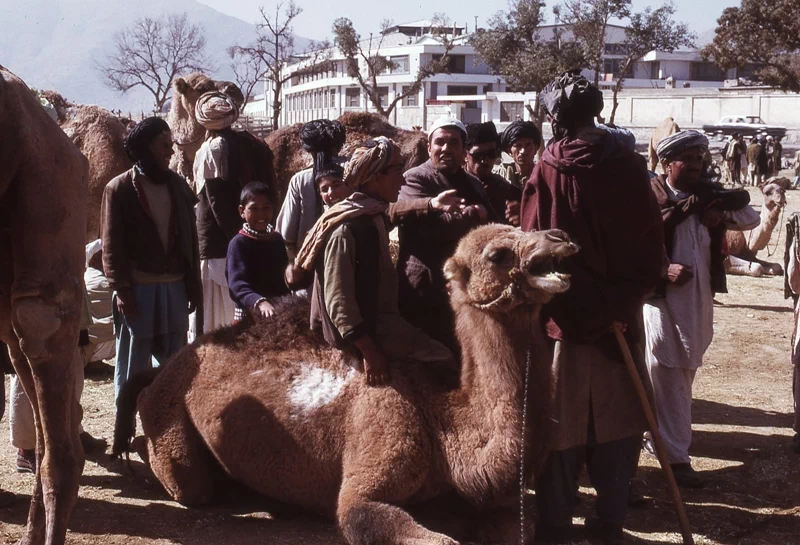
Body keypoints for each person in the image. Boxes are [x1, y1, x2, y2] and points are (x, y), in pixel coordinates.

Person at [520, 71, 665, 544]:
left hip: (564, 317)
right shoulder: (626, 164)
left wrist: (567, 299)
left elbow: (532, 245)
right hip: (618, 323)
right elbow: (650, 246)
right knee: (619, 421)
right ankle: (608, 525)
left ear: (558, 116)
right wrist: (622, 302)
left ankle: (556, 528)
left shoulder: (547, 167)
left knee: (561, 426)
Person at [293, 137, 455, 386]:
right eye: (397, 171)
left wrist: (432, 204)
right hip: (369, 329)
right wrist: (369, 351)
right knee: (442, 357)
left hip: (379, 319)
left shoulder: (370, 213)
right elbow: (339, 303)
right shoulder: (345, 230)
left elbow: (394, 211)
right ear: (376, 177)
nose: (402, 180)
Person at [644, 130, 756, 488]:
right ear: (666, 164)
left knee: (684, 370)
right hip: (659, 299)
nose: (694, 166)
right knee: (665, 368)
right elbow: (631, 244)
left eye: (698, 159)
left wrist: (718, 212)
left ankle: (660, 440)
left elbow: (750, 217)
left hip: (698, 298)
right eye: (686, 160)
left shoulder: (706, 196)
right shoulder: (650, 196)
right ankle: (675, 459)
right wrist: (663, 268)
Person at [101, 117, 201, 402]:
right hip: (138, 291)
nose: (170, 152)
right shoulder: (118, 189)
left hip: (175, 288)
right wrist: (121, 289)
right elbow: (111, 243)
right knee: (134, 361)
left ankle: (169, 422)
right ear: (145, 148)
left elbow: (189, 242)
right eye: (164, 146)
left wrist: (191, 287)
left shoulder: (178, 186)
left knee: (174, 363)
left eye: (171, 145)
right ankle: (128, 425)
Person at [396, 117, 497, 354]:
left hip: (463, 289)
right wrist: (472, 215)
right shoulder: (415, 178)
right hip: (424, 288)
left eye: (454, 143)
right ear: (429, 147)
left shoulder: (472, 182)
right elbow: (432, 228)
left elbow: (492, 222)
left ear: (464, 150)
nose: (446, 148)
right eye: (440, 142)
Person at [192, 91, 276, 336]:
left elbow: (216, 202)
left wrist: (237, 241)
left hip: (219, 245)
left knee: (217, 318)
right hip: (245, 237)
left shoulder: (211, 148)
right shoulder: (250, 141)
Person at [276, 119, 346, 262]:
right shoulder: (352, 172)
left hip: (309, 264)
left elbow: (286, 233)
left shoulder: (300, 180)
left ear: (308, 149)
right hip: (346, 261)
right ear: (339, 145)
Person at [226, 182, 290, 322]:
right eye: (254, 209)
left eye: (266, 208)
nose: (261, 214)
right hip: (249, 316)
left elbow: (282, 280)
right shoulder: (238, 244)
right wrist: (260, 302)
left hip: (278, 313)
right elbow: (237, 285)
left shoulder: (276, 239)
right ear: (242, 211)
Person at [465, 122, 521, 226]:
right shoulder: (452, 186)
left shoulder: (508, 191)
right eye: (479, 155)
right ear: (465, 155)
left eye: (491, 154)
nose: (485, 161)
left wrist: (521, 216)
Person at [494, 120, 542, 188]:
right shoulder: (502, 174)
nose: (523, 151)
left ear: (536, 148)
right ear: (509, 152)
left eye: (528, 145)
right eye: (518, 146)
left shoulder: (543, 173)